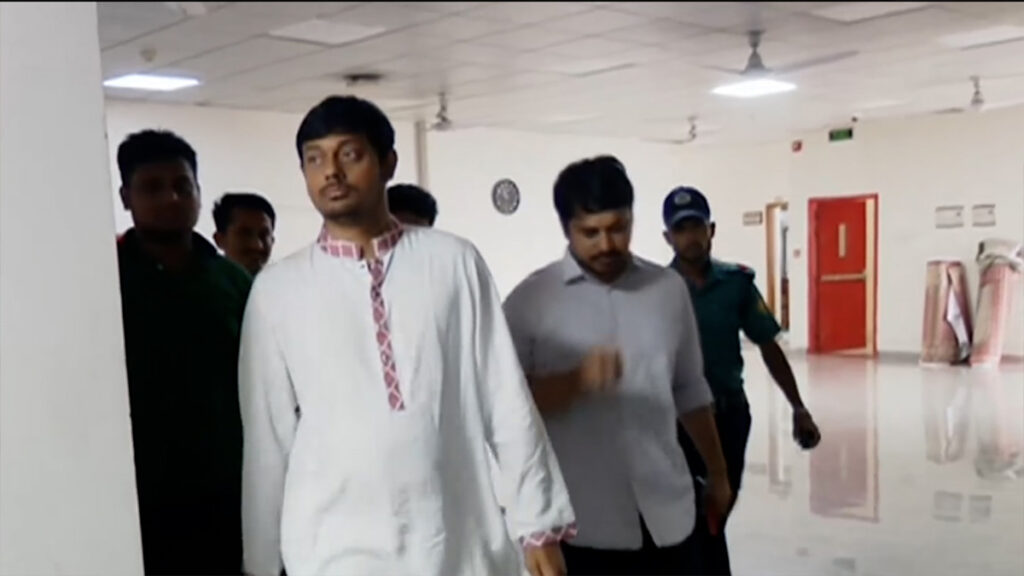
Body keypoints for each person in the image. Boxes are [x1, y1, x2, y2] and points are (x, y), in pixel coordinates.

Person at [238, 95, 575, 576]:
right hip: (331, 545)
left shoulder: (452, 261)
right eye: (314, 159)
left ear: (388, 163)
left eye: (349, 154)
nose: (331, 172)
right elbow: (267, 439)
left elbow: (503, 395)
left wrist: (538, 524)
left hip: (456, 535)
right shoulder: (278, 290)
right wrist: (261, 562)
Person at [503, 156, 731, 576]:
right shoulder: (529, 303)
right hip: (583, 528)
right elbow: (504, 411)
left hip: (669, 513)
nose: (607, 244)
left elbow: (690, 389)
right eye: (591, 232)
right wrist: (574, 382)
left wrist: (718, 473)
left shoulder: (667, 290)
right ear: (566, 228)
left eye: (619, 228)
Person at [662, 186, 822, 575]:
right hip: (676, 423)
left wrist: (798, 408)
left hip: (729, 416)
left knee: (719, 507)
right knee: (689, 518)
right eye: (681, 230)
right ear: (668, 237)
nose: (690, 237)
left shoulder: (736, 283)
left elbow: (768, 346)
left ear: (711, 230)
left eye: (697, 227)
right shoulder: (657, 291)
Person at [116, 130, 251, 575]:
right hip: (140, 495)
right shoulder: (106, 279)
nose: (171, 198)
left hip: (229, 488)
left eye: (182, 186)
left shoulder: (233, 282)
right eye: (152, 188)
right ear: (126, 197)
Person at [212, 192, 277, 275]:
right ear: (219, 240)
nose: (257, 245)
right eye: (245, 234)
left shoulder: (283, 281)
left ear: (272, 240)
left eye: (263, 235)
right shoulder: (204, 281)